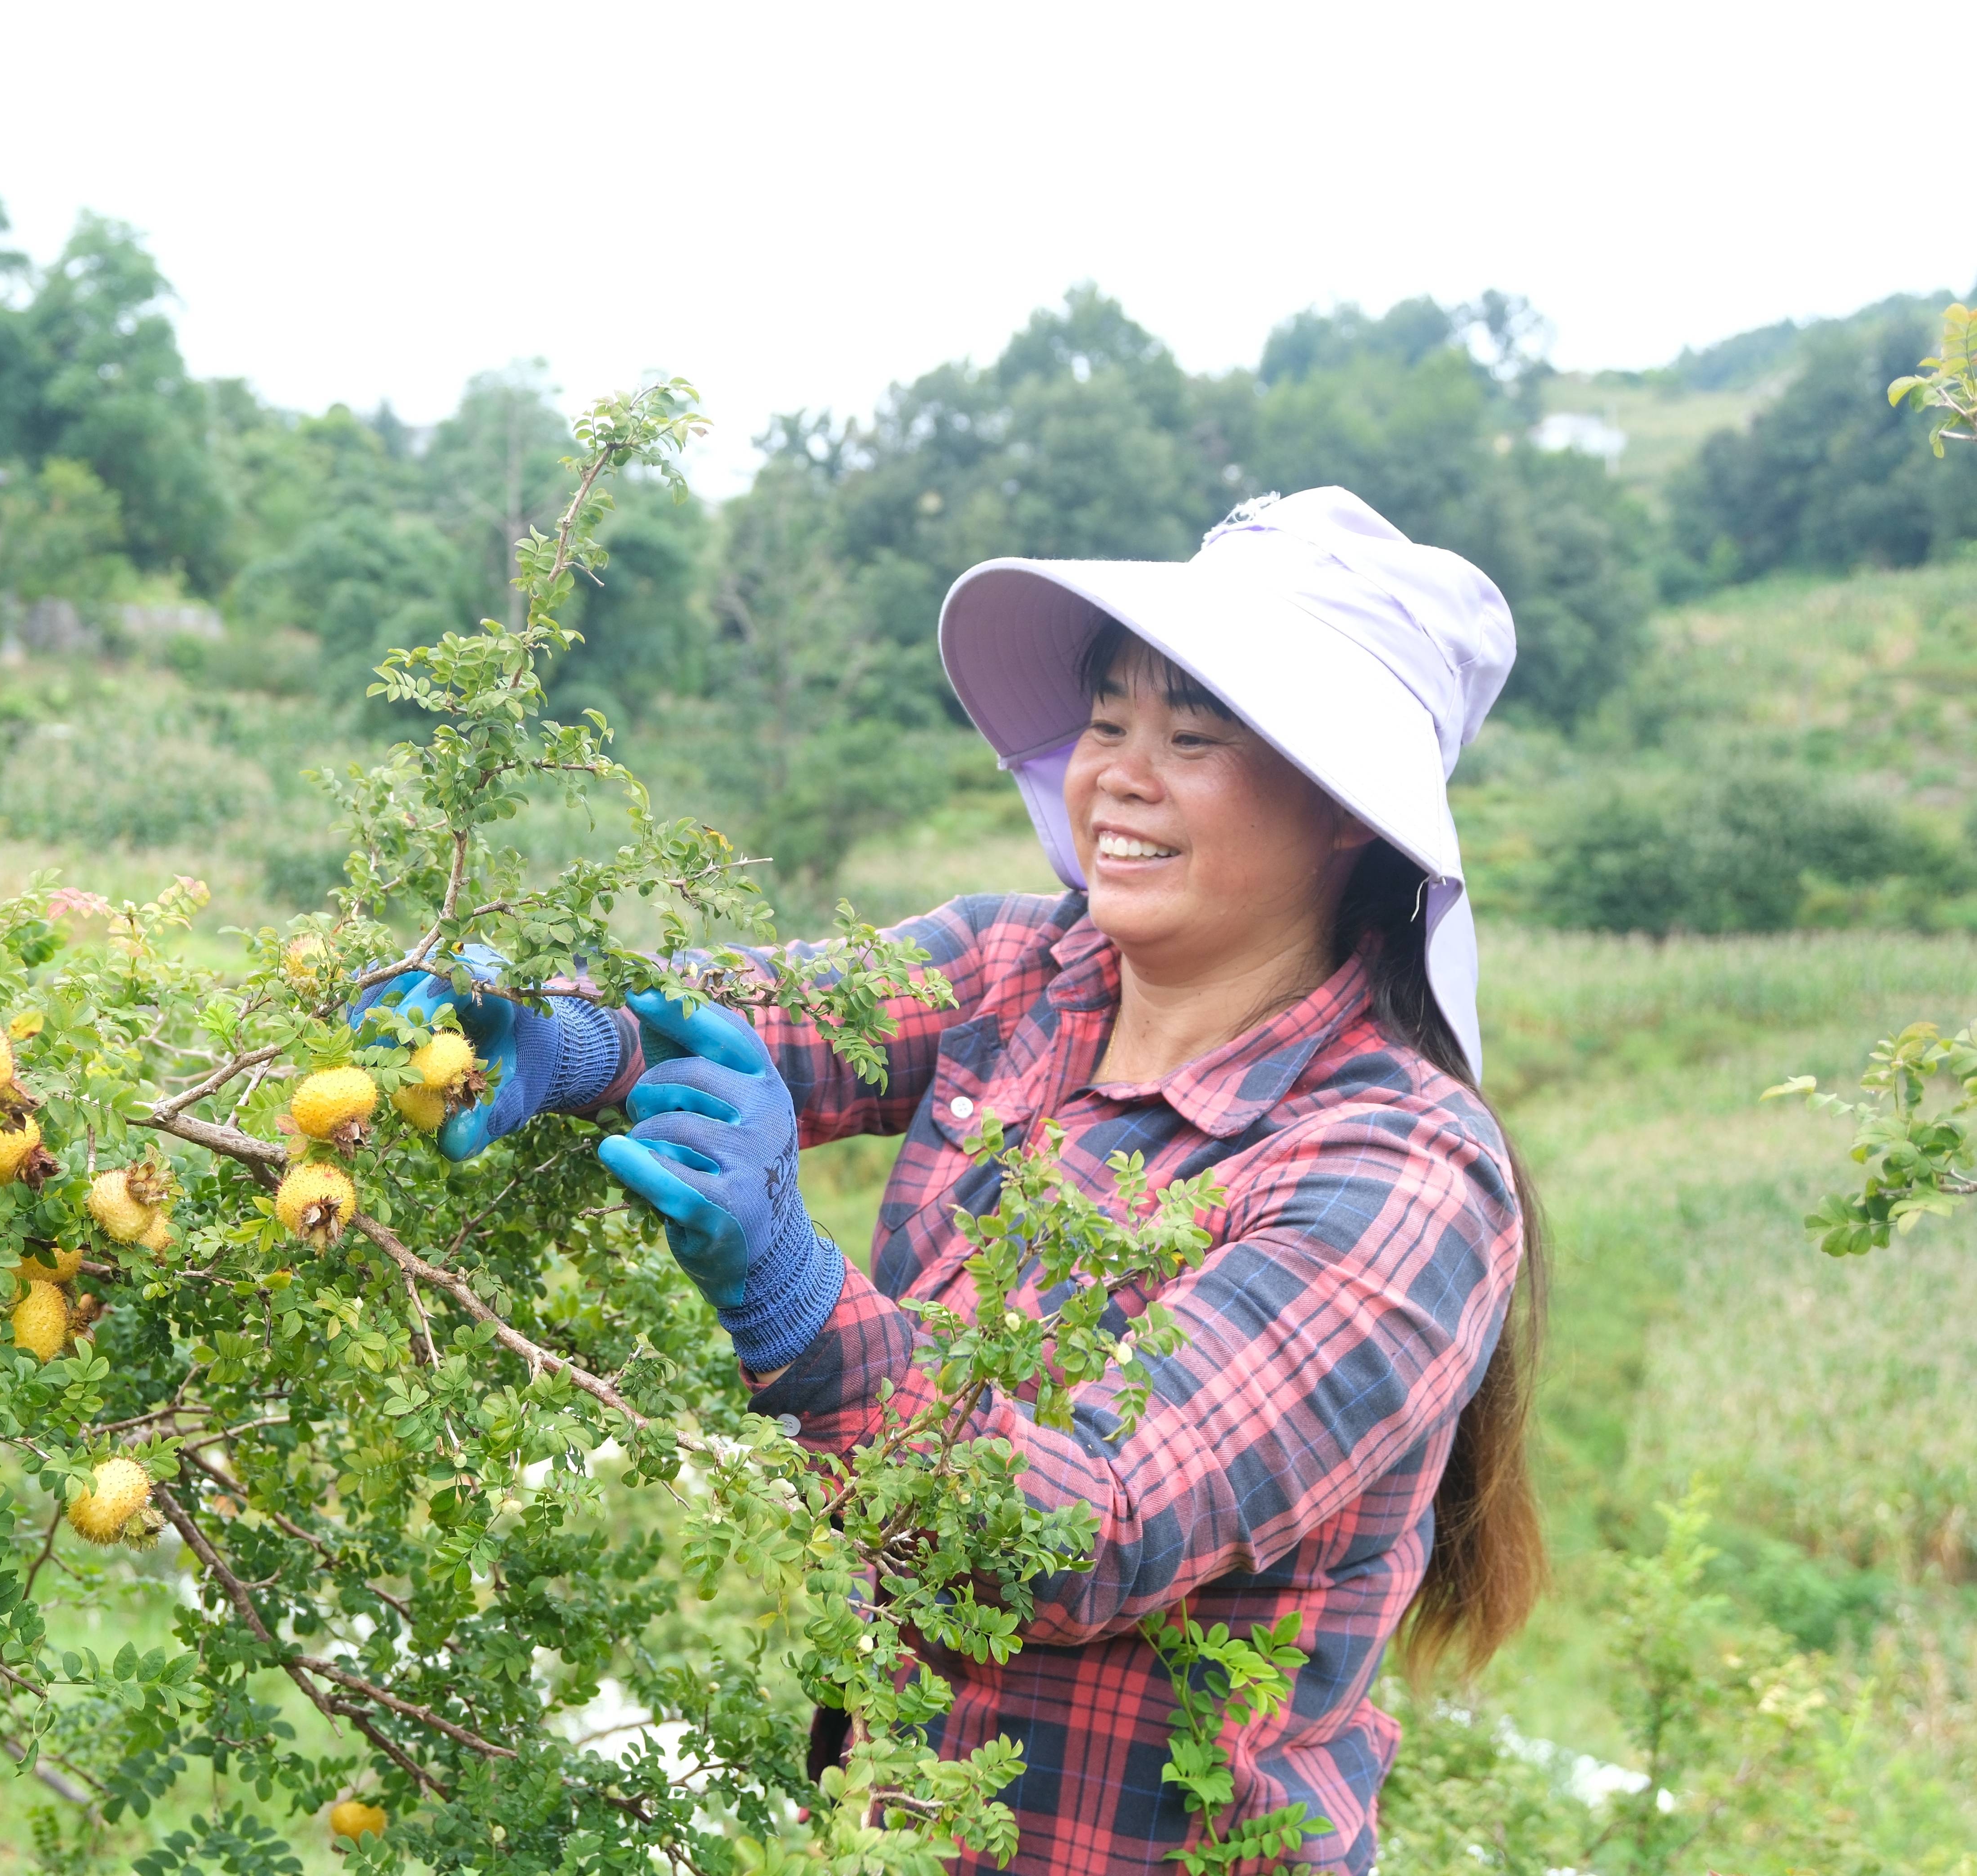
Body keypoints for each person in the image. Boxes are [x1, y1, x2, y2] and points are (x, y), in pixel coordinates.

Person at [369, 487, 1543, 1874]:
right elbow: (762, 1013)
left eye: (1195, 736)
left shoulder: (1399, 1174)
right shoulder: (1023, 974)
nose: (1121, 775)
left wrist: (799, 1300)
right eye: (1108, 722)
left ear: (1346, 810)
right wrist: (565, 1036)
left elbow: (1088, 1527)